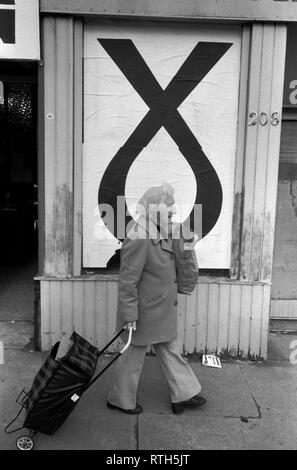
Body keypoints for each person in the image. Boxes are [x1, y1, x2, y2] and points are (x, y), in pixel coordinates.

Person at [107, 183, 206, 414]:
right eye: (168, 208)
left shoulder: (159, 229)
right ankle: (119, 399)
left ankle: (183, 395)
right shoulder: (138, 235)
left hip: (159, 308)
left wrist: (188, 241)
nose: (173, 212)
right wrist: (129, 315)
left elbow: (180, 250)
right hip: (143, 312)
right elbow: (128, 280)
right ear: (153, 209)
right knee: (133, 356)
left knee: (169, 348)